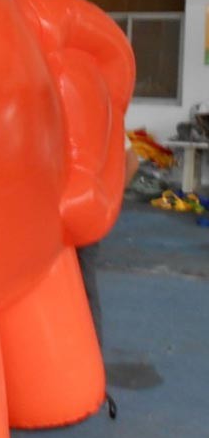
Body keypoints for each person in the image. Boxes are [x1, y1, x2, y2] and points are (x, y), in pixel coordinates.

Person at [78, 137, 138, 343]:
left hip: (81, 217)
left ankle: (92, 346)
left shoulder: (106, 121)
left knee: (84, 285)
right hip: (68, 215)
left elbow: (132, 161)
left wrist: (111, 200)